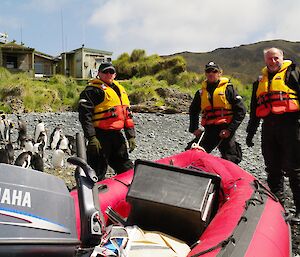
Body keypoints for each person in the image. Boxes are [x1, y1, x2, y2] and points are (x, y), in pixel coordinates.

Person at [246, 47, 300, 223]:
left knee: (294, 170)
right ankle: (278, 210)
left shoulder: (293, 75)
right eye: (270, 59)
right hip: (268, 128)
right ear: (265, 61)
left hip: (290, 126)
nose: (273, 61)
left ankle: (299, 211)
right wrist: (251, 132)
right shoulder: (259, 82)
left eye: (276, 58)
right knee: (273, 170)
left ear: (282, 58)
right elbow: (255, 109)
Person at [78, 62, 136, 179]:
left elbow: (127, 115)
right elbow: (85, 116)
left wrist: (131, 136)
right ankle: (93, 192)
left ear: (115, 75)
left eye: (111, 72)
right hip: (100, 136)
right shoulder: (92, 91)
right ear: (99, 74)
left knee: (125, 166)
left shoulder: (120, 90)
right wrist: (92, 138)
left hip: (117, 136)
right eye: (105, 72)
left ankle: (128, 190)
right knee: (97, 169)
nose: (108, 74)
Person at [187, 61, 246, 164]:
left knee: (230, 156)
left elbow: (241, 110)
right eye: (208, 71)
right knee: (192, 150)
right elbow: (193, 110)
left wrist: (230, 129)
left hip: (225, 128)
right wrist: (194, 128)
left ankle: (230, 176)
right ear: (205, 74)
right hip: (209, 129)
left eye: (214, 71)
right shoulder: (201, 93)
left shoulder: (228, 89)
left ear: (219, 73)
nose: (211, 73)